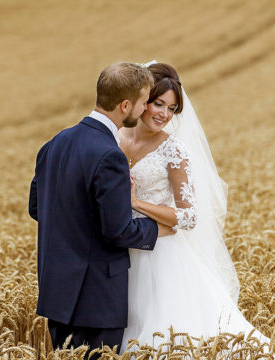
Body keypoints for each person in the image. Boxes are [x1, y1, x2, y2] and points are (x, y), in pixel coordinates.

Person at [118, 62, 269, 352]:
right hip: (118, 250)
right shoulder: (116, 137)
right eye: (157, 103)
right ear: (141, 102)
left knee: (163, 338)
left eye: (171, 109)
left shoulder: (173, 150)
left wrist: (136, 203)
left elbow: (188, 216)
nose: (163, 114)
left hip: (159, 256)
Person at [28, 62, 176, 359]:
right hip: (96, 299)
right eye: (143, 101)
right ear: (125, 105)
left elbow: (37, 207)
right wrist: (159, 228)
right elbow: (117, 230)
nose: (147, 107)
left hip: (57, 293)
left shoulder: (54, 143)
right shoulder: (110, 155)